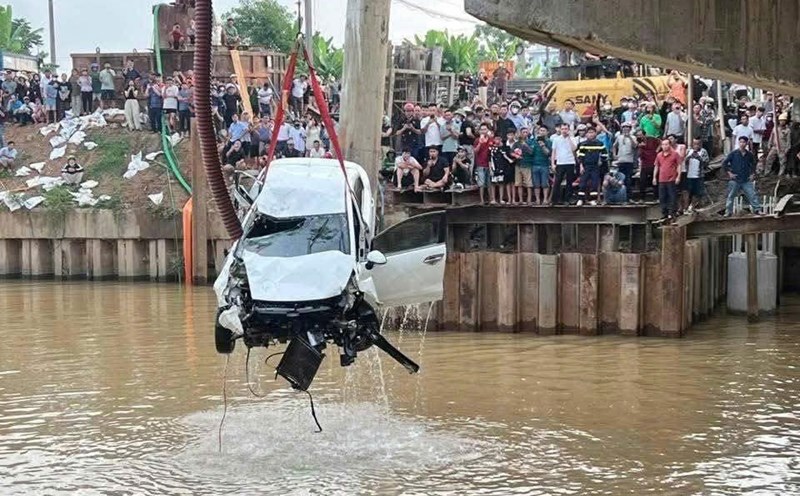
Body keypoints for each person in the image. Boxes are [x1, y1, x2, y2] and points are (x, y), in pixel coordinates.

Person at [722, 136, 762, 216]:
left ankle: (757, 209)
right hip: (735, 179)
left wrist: (752, 174)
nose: (742, 144)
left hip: (746, 179)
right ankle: (728, 212)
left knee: (752, 194)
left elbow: (753, 164)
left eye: (743, 142)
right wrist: (730, 173)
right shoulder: (733, 154)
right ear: (738, 143)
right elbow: (724, 163)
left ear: (746, 143)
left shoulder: (749, 155)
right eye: (740, 142)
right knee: (731, 196)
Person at [575, 127, 609, 206]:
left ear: (595, 133)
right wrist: (581, 166)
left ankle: (592, 200)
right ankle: (580, 199)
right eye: (589, 132)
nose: (591, 134)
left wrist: (601, 160)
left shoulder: (600, 144)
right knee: (582, 183)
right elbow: (580, 156)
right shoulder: (583, 144)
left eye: (592, 132)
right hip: (585, 166)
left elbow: (605, 154)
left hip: (595, 166)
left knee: (594, 183)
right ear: (586, 134)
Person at [653, 138, 682, 221]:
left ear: (669, 145)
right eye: (663, 144)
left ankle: (671, 213)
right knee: (662, 197)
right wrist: (654, 177)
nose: (665, 146)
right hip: (661, 179)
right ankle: (664, 213)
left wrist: (678, 176)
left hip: (671, 178)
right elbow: (656, 166)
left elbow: (679, 165)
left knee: (672, 196)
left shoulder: (675, 154)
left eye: (666, 144)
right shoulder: (659, 155)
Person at [551, 123, 578, 205]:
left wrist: (569, 138)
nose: (564, 131)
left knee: (569, 182)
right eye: (562, 129)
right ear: (560, 129)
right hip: (560, 162)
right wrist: (552, 163)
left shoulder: (573, 139)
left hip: (570, 162)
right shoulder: (556, 139)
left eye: (566, 129)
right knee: (557, 181)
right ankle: (555, 200)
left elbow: (574, 148)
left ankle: (567, 199)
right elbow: (553, 152)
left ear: (568, 130)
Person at [684, 138, 710, 211]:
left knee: (697, 192)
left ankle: (692, 206)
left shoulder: (703, 151)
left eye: (698, 144)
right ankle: (686, 207)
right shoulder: (688, 151)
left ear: (700, 144)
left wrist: (699, 158)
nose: (696, 145)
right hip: (689, 175)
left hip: (699, 175)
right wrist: (689, 157)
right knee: (687, 191)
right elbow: (684, 162)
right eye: (694, 144)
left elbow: (706, 163)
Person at [613, 122, 636, 193]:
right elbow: (614, 146)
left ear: (630, 129)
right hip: (621, 160)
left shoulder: (633, 137)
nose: (625, 129)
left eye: (627, 127)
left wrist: (629, 137)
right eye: (624, 127)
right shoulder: (619, 137)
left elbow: (635, 146)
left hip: (629, 161)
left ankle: (629, 196)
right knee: (621, 178)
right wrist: (614, 154)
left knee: (628, 178)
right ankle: (622, 194)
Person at [474, 123, 493, 204]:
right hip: (480, 163)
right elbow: (475, 151)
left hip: (489, 163)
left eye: (485, 129)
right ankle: (481, 200)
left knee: (489, 183)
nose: (483, 131)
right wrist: (480, 143)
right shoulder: (477, 140)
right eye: (482, 129)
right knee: (481, 183)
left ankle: (491, 199)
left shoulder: (491, 139)